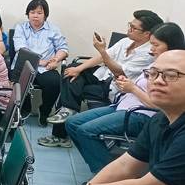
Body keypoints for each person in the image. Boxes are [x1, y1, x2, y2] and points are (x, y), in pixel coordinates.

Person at [40, 50, 185, 185]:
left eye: (170, 75)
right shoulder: (160, 120)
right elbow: (126, 165)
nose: (157, 81)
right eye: (152, 73)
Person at [65, 22, 185, 173]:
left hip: (141, 114)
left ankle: (105, 174)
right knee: (72, 123)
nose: (151, 48)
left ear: (171, 46)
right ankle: (102, 167)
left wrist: (132, 88)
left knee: (86, 131)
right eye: (151, 44)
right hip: (122, 105)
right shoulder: (155, 63)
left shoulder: (174, 73)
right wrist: (126, 84)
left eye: (156, 45)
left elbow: (158, 106)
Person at [40, 10, 162, 148]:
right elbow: (101, 58)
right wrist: (78, 69)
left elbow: (118, 71)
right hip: (103, 75)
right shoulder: (126, 41)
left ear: (147, 34)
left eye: (133, 28)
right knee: (71, 70)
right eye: (130, 25)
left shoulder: (148, 53)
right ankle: (68, 110)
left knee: (72, 87)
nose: (129, 29)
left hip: (115, 86)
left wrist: (102, 51)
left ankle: (61, 132)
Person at [13, 0, 69, 126]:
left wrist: (56, 59)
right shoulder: (21, 28)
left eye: (39, 13)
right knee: (19, 82)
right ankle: (24, 111)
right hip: (24, 65)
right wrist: (40, 61)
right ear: (28, 14)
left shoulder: (53, 29)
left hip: (46, 68)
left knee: (55, 83)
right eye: (32, 12)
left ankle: (44, 111)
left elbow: (63, 49)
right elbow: (21, 49)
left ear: (45, 15)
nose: (35, 16)